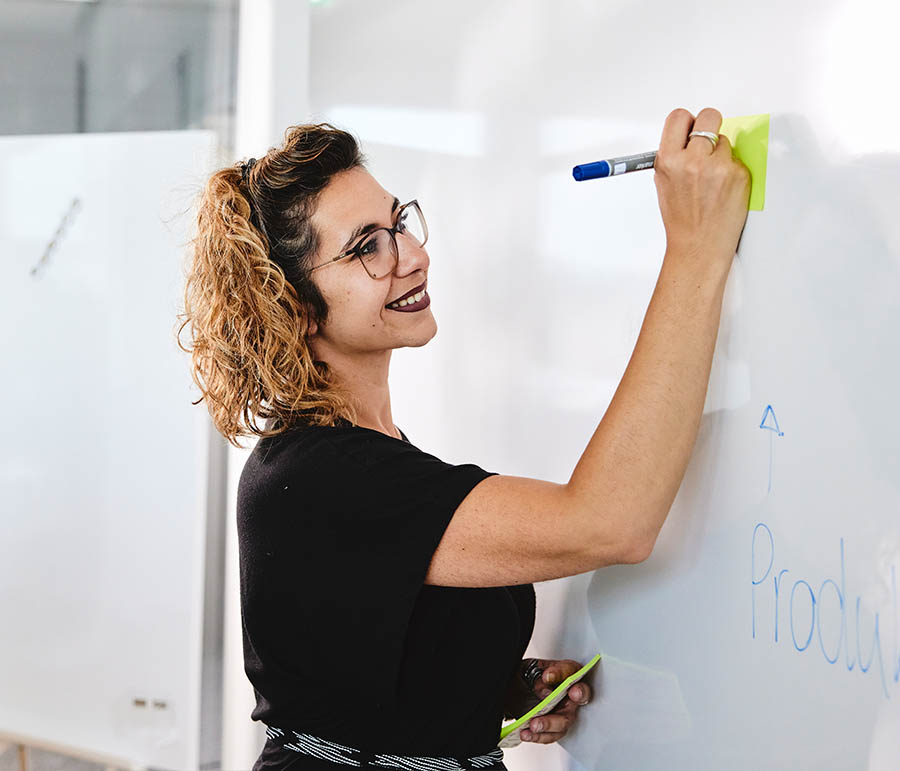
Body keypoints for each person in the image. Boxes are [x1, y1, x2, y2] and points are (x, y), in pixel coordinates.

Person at [176, 106, 750, 770]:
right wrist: (696, 248)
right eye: (367, 246)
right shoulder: (319, 478)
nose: (413, 256)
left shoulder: (365, 461)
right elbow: (609, 522)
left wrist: (481, 684)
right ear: (294, 305)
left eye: (398, 223)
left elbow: (354, 657)